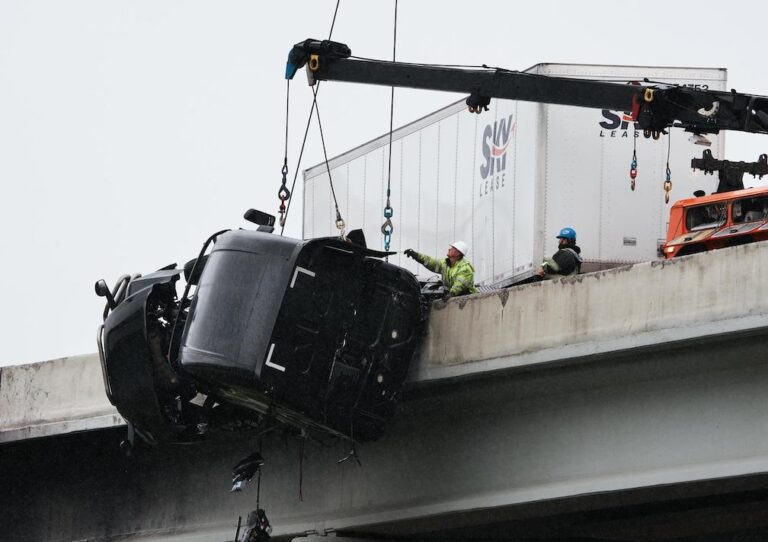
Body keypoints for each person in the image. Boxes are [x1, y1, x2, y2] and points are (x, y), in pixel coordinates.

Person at [404, 241, 477, 299]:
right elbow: (431, 262)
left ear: (458, 253)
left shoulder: (465, 268)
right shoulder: (446, 264)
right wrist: (415, 255)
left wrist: (451, 294)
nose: (449, 249)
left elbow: (460, 284)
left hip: (468, 300)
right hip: (456, 297)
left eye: (452, 248)